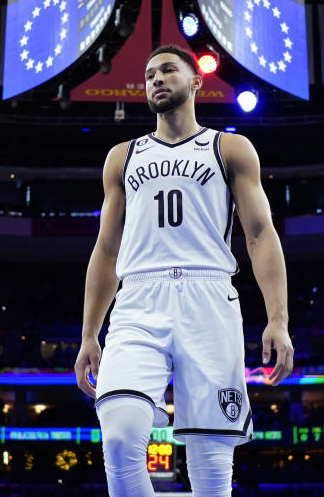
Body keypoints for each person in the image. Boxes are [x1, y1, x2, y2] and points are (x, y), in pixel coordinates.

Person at [74, 44, 294, 497]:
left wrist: (278, 319)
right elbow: (107, 248)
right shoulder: (122, 156)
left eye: (168, 70)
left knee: (212, 471)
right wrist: (88, 334)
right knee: (117, 437)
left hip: (208, 296)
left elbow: (259, 234)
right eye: (149, 73)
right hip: (138, 299)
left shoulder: (229, 146)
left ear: (196, 82)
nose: (155, 78)